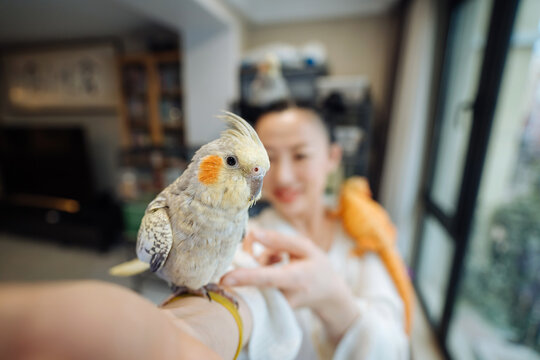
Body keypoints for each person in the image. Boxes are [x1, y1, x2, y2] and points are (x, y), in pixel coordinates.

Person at [0, 103, 410, 360]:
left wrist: (335, 297)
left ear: (333, 158)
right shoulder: (256, 233)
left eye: (300, 155)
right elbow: (243, 296)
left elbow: (398, 346)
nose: (280, 176)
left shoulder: (367, 234)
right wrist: (181, 335)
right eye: (268, 158)